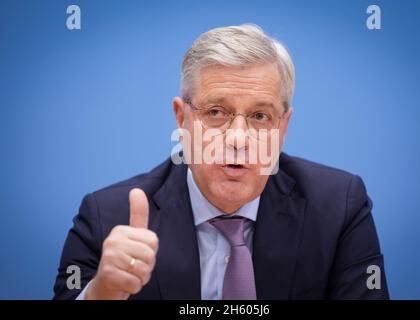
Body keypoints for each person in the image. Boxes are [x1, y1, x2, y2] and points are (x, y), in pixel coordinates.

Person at [53, 24, 389, 300]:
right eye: (216, 112)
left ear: (283, 127)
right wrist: (101, 294)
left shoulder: (338, 207)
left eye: (260, 116)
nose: (239, 139)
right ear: (181, 118)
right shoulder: (107, 217)